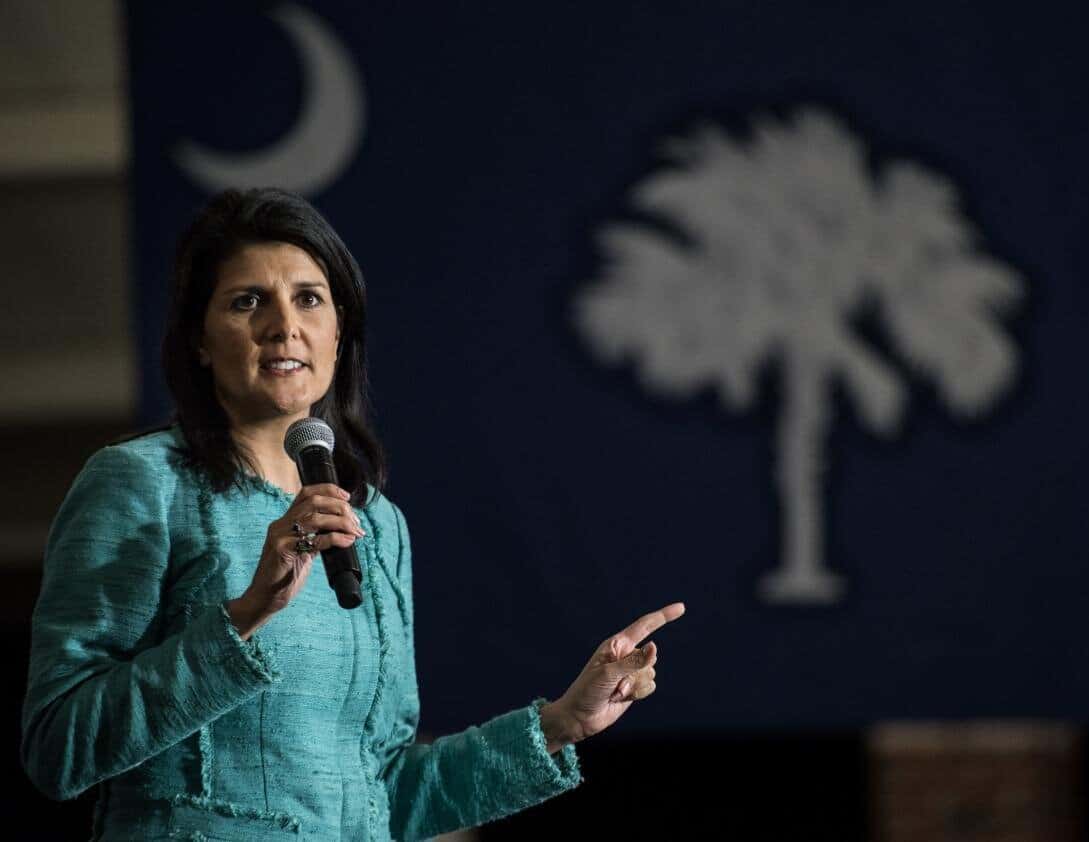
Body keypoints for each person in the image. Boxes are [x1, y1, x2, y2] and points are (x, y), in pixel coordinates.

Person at [20, 187, 686, 840]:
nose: (284, 325)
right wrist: (247, 613)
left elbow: (387, 792)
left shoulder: (377, 524)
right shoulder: (140, 485)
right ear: (198, 337)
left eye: (309, 298)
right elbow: (58, 750)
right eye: (247, 301)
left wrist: (562, 723)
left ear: (339, 332)